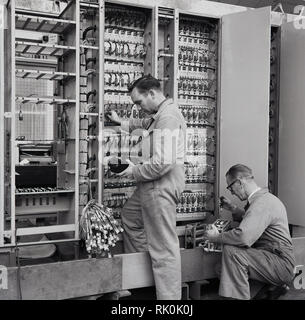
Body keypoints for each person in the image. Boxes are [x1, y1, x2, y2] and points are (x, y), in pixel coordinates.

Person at [108, 75, 186, 300]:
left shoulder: (168, 117)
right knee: (131, 218)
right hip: (150, 185)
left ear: (152, 93)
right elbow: (143, 125)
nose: (138, 108)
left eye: (139, 103)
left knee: (164, 247)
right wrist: (119, 121)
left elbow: (163, 162)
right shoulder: (159, 114)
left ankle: (169, 301)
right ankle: (140, 279)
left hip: (160, 185)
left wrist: (131, 170)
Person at [203, 164, 296, 300]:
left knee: (232, 253)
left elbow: (244, 237)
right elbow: (254, 218)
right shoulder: (263, 200)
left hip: (280, 264)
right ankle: (268, 290)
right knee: (222, 268)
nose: (231, 192)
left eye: (230, 187)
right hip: (270, 258)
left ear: (240, 182)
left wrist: (216, 237)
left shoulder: (261, 204)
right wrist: (233, 209)